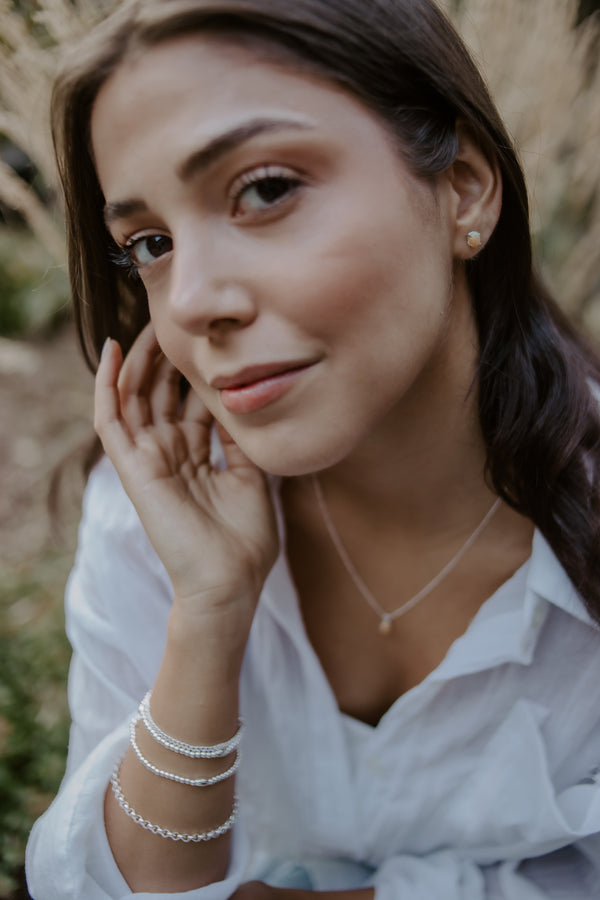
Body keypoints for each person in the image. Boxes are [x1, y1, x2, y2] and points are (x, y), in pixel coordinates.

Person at [25, 0, 600, 897]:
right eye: (149, 243)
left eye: (264, 189)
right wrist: (211, 612)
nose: (189, 304)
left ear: (465, 188)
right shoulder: (158, 514)